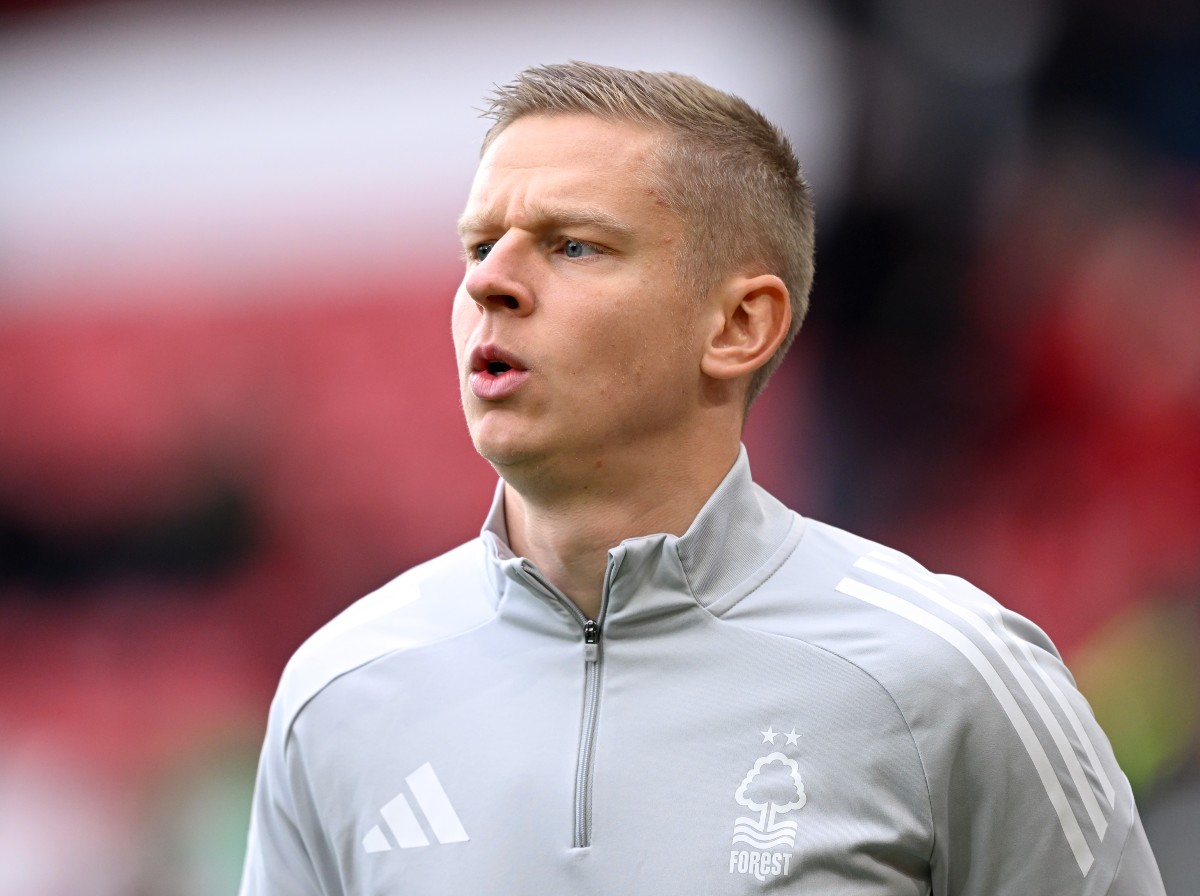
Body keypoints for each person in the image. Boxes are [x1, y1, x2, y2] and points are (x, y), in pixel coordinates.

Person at [239, 62, 1164, 895]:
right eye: (479, 247)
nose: (492, 283)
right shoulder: (338, 693)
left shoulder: (951, 676)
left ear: (738, 328)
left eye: (573, 245)